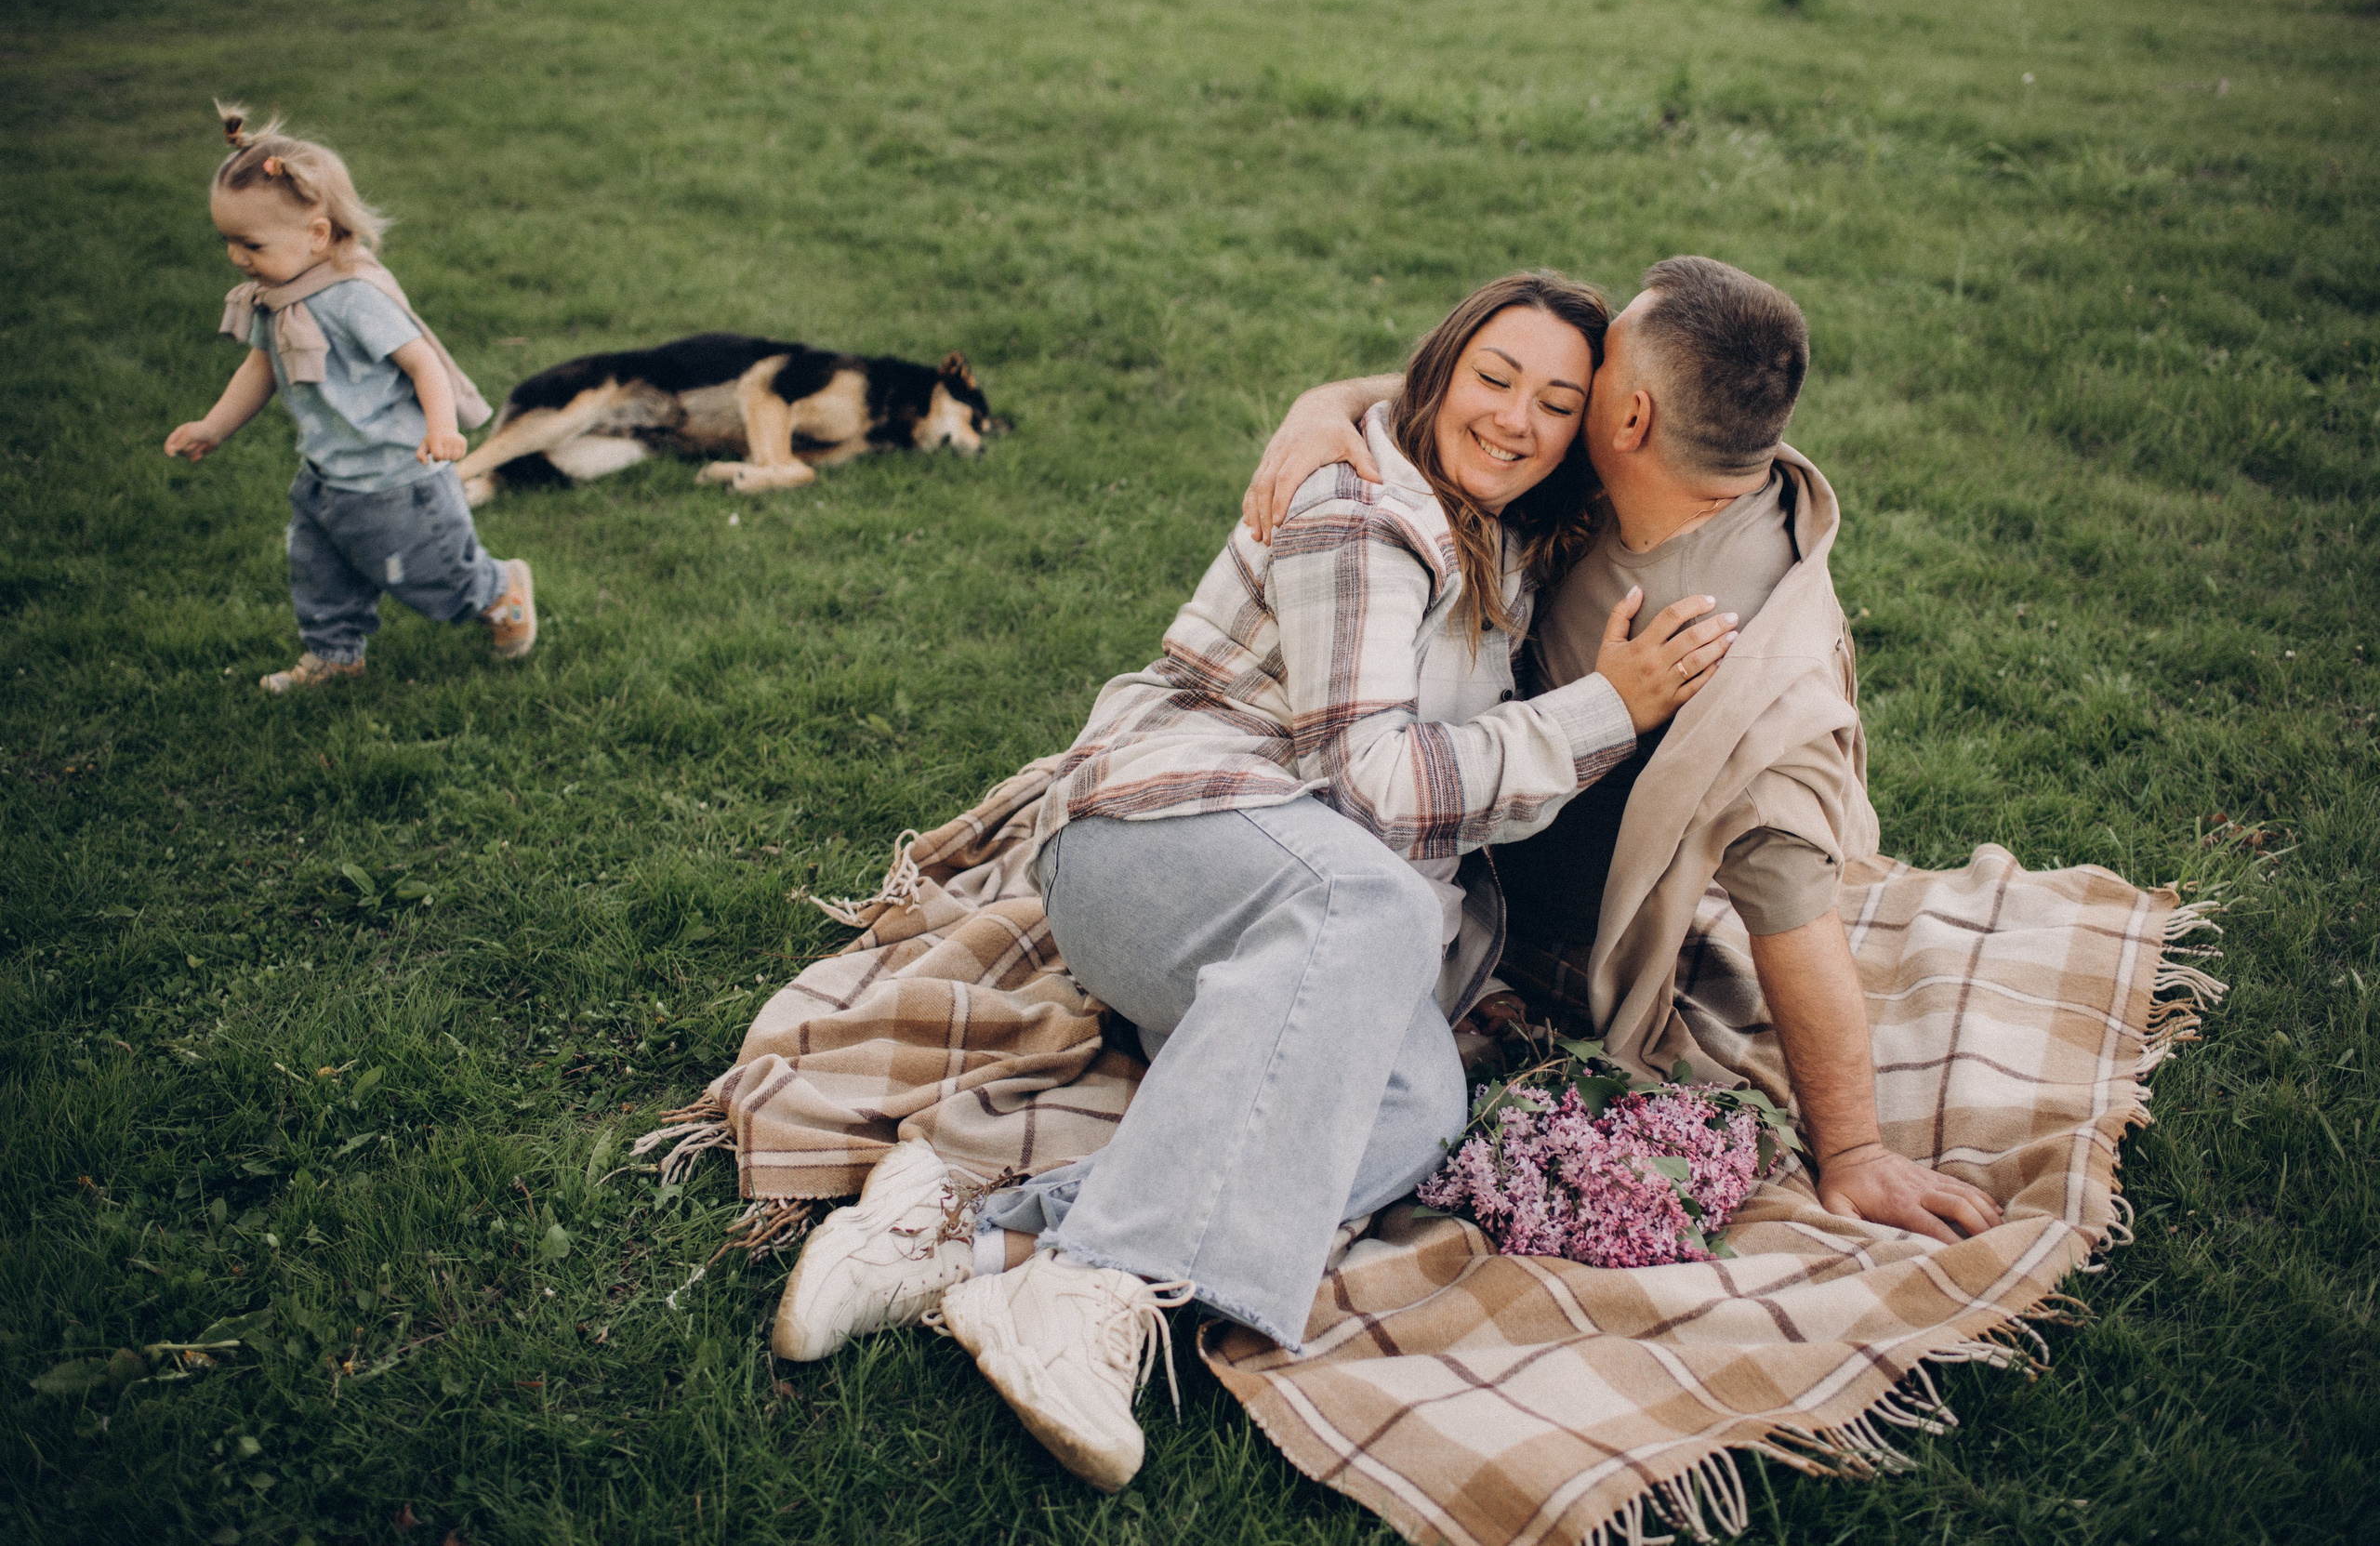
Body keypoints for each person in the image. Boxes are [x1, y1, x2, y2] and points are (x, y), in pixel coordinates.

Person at [769, 271, 1739, 1491]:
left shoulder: (1510, 535)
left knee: (1415, 1104)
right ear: (1440, 372)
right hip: (1149, 841)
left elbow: (1703, 427)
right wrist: (1605, 712)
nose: (1516, 418)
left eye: (1557, 400)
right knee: (1371, 902)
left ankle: (963, 1226)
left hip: (1288, 917)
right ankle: (1095, 1289)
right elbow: (1374, 788)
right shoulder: (1358, 505)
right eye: (1494, 378)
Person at [1240, 257, 2004, 1249]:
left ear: (1628, 417)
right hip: (1427, 759)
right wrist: (1324, 404)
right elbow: (1486, 387)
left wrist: (1853, 1150)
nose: (1551, 405)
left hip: (1506, 895)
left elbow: (1790, 894)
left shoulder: (1724, 648)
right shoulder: (1684, 460)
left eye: (1585, 385)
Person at [165, 104, 536, 694]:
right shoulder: (277, 294)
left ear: (315, 234)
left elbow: (422, 362)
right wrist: (214, 427)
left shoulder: (353, 297)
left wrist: (441, 428)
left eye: (251, 243)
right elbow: (260, 367)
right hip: (326, 474)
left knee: (429, 574)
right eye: (228, 241)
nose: (237, 257)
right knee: (319, 573)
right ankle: (335, 656)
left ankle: (499, 593)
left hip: (397, 479)